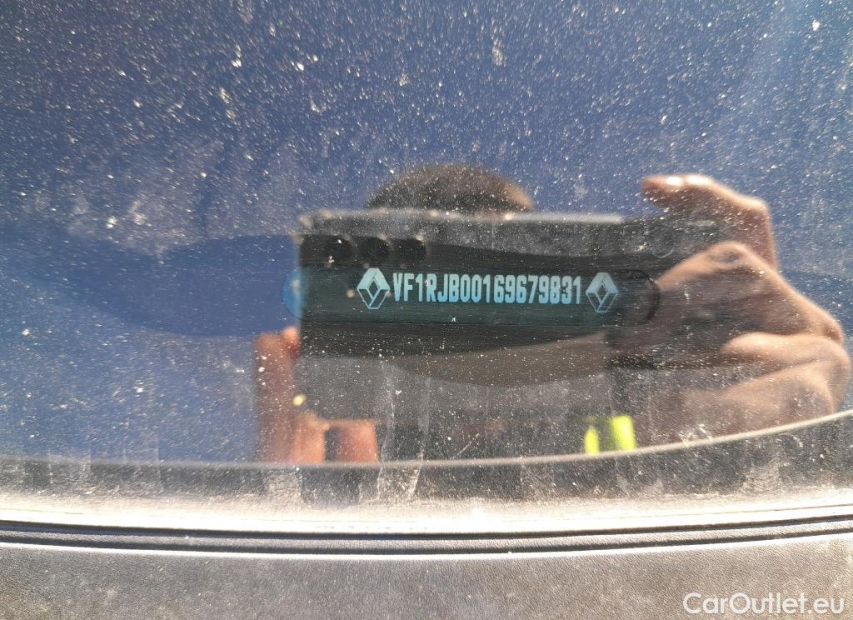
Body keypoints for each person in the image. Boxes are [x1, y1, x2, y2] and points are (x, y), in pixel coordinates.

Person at [255, 166, 850, 462]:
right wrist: (287, 478)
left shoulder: (629, 410)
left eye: (519, 282)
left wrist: (782, 438)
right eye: (437, 293)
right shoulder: (336, 426)